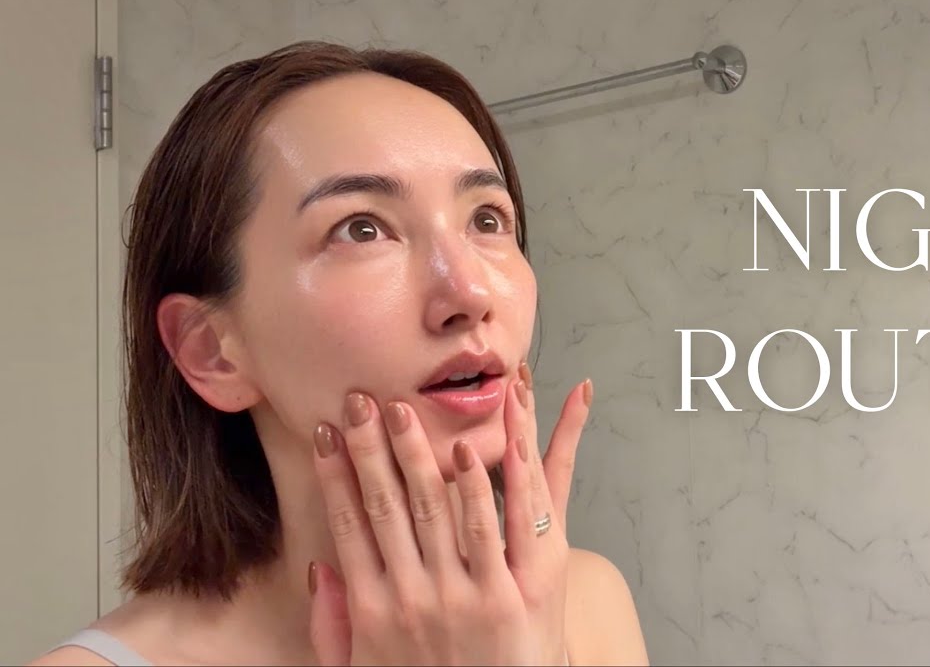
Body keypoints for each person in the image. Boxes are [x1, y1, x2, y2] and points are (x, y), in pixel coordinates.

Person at [31, 41, 648, 666]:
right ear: (212, 351)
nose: (469, 293)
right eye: (361, 228)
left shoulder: (586, 600)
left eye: (487, 220)